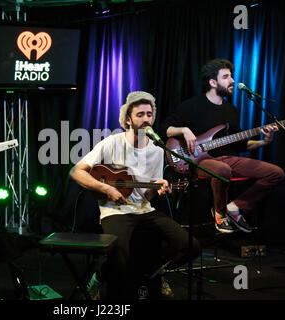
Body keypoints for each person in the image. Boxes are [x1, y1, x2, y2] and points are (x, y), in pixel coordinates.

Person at [70, 91, 200, 299]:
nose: (146, 119)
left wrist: (156, 188)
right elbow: (76, 171)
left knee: (190, 246)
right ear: (128, 120)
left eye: (149, 114)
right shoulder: (112, 143)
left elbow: (147, 196)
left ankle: (153, 275)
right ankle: (101, 277)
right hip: (115, 211)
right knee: (120, 259)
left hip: (144, 210)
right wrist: (107, 189)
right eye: (140, 114)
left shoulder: (158, 150)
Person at [159, 58, 285, 234]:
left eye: (231, 76)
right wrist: (184, 130)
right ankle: (219, 212)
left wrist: (264, 141)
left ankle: (234, 207)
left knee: (276, 173)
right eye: (226, 77)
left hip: (228, 158)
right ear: (213, 82)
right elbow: (163, 128)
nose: (232, 80)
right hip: (199, 160)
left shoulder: (231, 110)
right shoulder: (192, 106)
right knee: (222, 169)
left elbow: (240, 143)